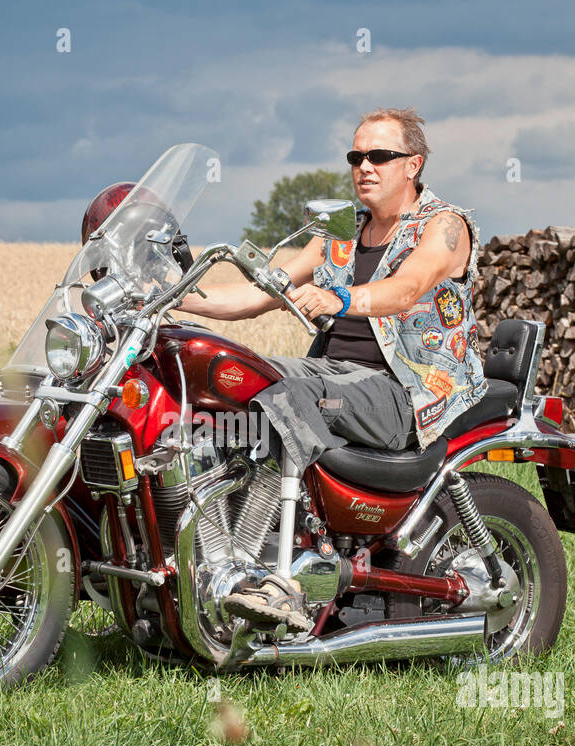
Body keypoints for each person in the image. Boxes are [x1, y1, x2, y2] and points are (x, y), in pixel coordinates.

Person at [177, 106, 488, 473]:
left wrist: (335, 298)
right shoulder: (342, 235)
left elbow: (405, 289)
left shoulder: (443, 225)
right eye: (356, 157)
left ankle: (299, 517)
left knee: (292, 398)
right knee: (233, 373)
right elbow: (257, 294)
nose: (365, 167)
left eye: (380, 156)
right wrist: (168, 294)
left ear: (413, 165)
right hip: (333, 373)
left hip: (408, 391)